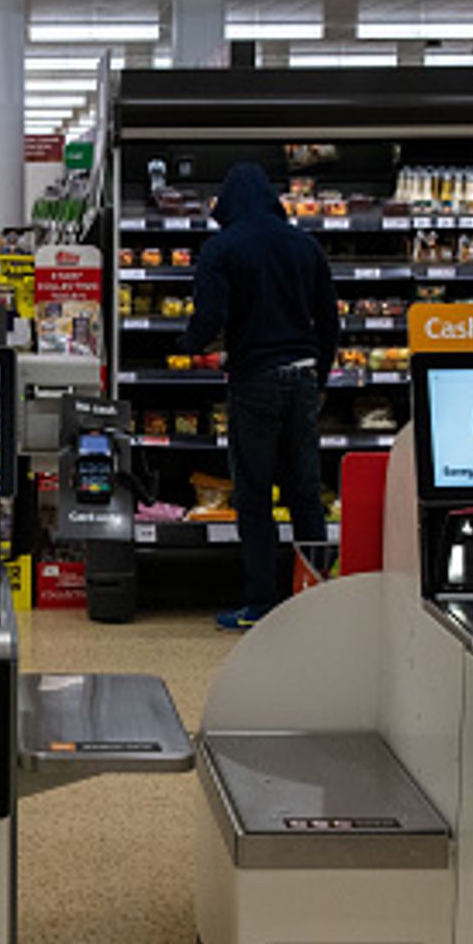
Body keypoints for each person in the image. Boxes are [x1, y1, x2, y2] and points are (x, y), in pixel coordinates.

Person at [176, 163, 340, 631]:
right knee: (305, 493)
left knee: (254, 495)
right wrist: (320, 378)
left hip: (255, 379)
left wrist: (187, 345)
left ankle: (261, 604)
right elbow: (329, 322)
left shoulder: (223, 247)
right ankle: (315, 598)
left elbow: (210, 316)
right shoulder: (304, 245)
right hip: (303, 376)